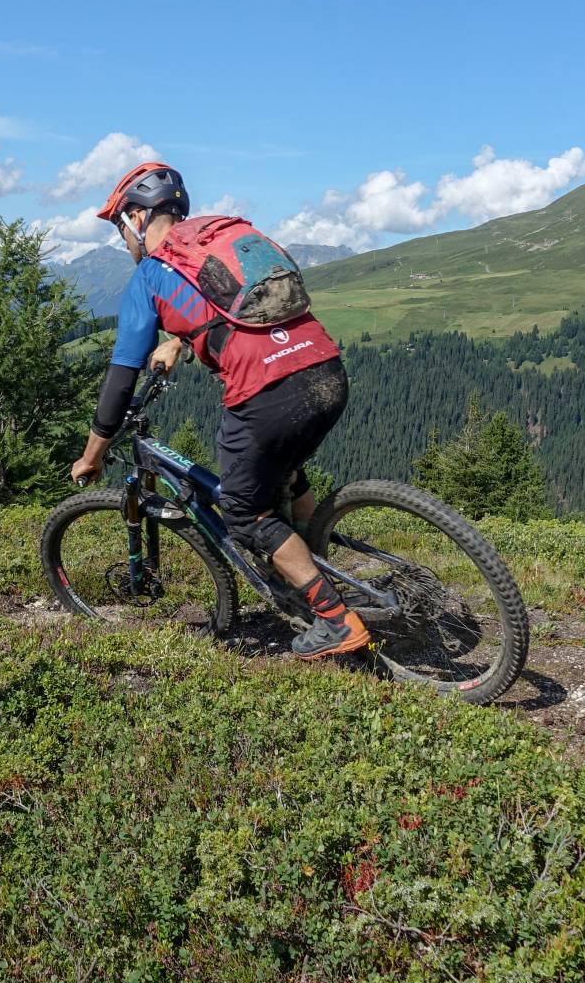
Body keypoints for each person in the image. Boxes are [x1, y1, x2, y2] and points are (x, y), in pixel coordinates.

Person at [68, 162, 364, 658]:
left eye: (120, 227)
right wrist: (178, 341)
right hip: (325, 367)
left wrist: (92, 454)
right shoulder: (214, 241)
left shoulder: (151, 274)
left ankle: (335, 619)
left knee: (244, 512)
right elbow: (228, 310)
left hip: (267, 390)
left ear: (138, 218)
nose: (123, 240)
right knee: (285, 471)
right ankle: (317, 573)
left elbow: (120, 382)